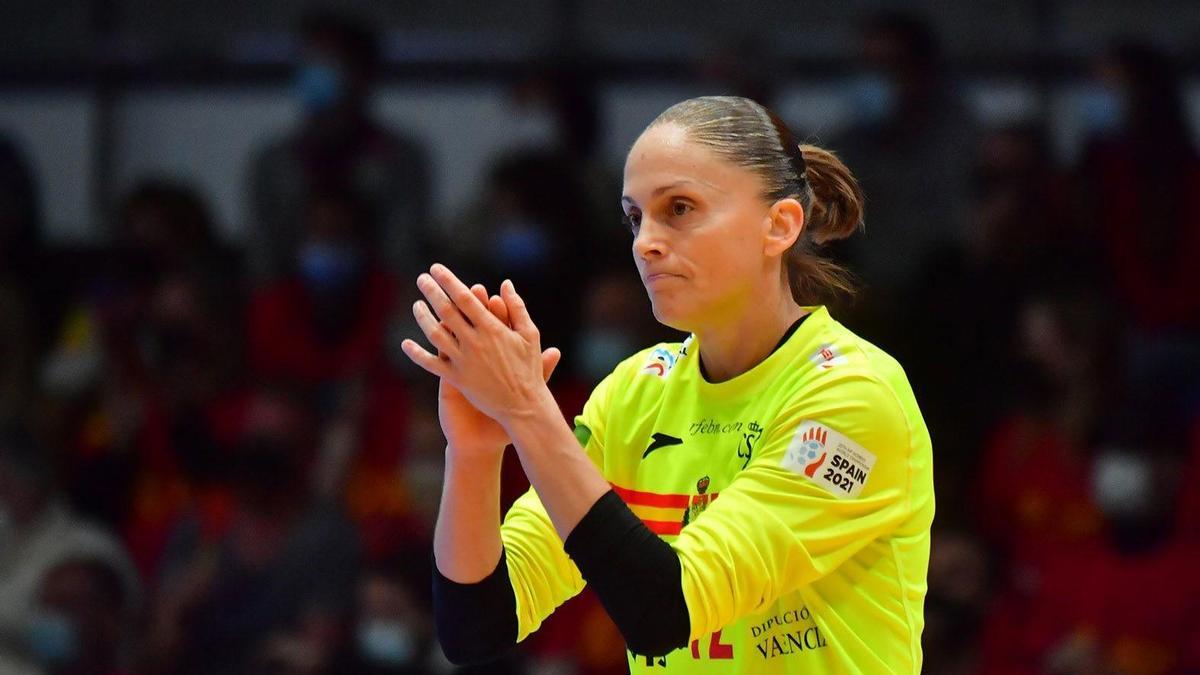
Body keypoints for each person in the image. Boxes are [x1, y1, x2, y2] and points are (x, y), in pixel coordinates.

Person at [404, 96, 934, 672]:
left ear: (779, 225)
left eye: (679, 208)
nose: (645, 242)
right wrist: (477, 451)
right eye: (635, 217)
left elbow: (665, 610)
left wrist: (529, 411)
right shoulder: (636, 391)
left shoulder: (852, 395)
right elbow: (475, 628)